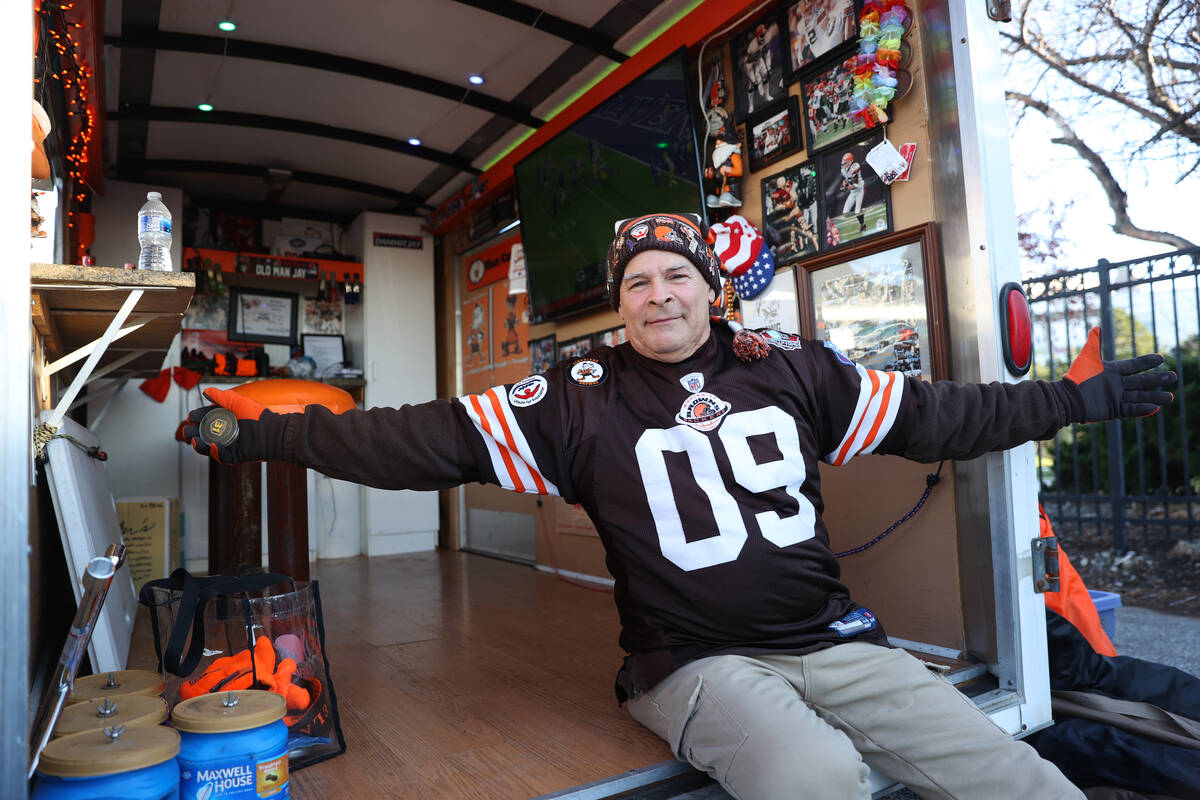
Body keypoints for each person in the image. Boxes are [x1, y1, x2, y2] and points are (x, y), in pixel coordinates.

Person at [181, 212, 1175, 799]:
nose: (657, 294)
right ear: (622, 301)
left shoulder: (791, 369)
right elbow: (412, 437)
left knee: (1021, 777)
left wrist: (1078, 400)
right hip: (692, 660)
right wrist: (262, 433)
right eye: (638, 281)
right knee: (815, 777)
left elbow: (938, 414)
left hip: (837, 639)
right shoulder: (571, 396)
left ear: (711, 288)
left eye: (676, 275)